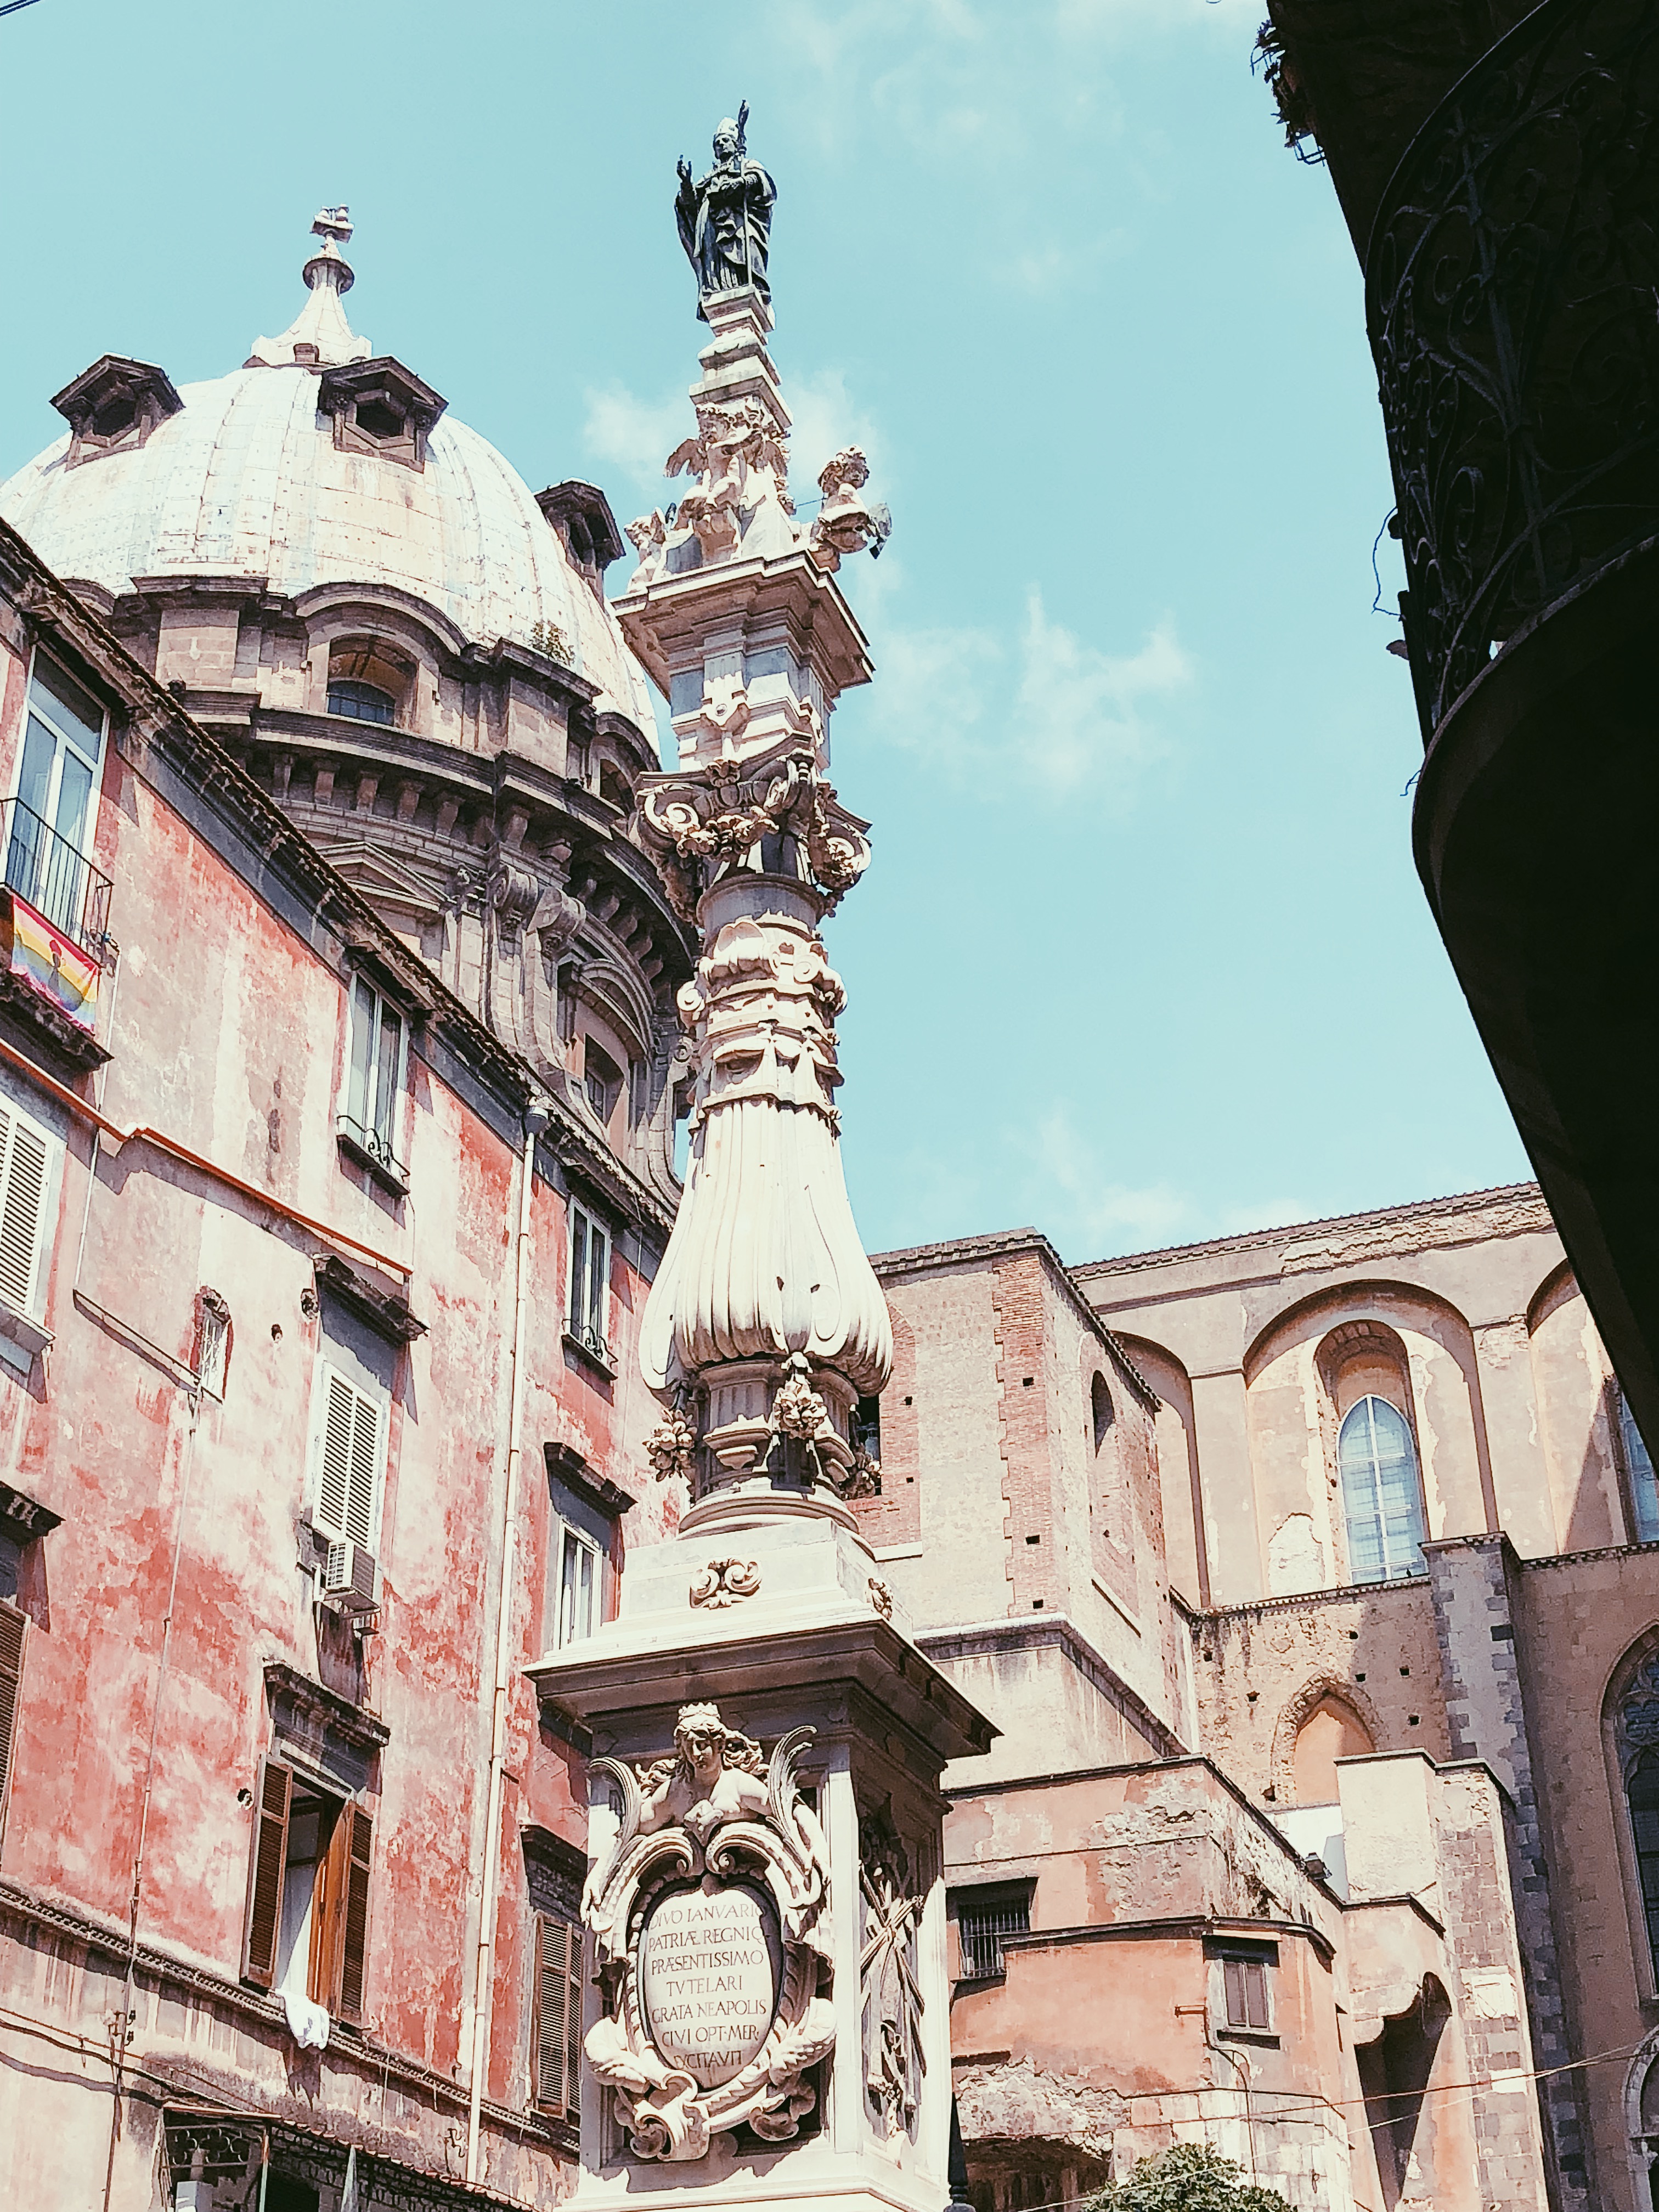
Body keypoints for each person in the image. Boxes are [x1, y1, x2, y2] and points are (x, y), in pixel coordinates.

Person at [675, 108, 777, 315]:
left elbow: (762, 184)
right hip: (711, 228)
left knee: (742, 253)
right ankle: (716, 289)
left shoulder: (747, 165)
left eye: (726, 141)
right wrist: (686, 183)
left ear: (735, 143)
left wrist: (742, 183)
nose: (721, 145)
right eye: (718, 143)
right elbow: (691, 206)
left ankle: (749, 284)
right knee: (716, 262)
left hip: (738, 225)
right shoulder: (709, 178)